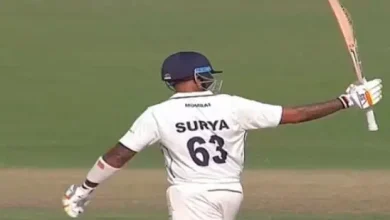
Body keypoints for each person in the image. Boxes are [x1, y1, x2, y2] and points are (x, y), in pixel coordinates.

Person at [62, 51, 383, 219]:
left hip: (190, 195)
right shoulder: (232, 106)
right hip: (230, 194)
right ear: (190, 77)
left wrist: (86, 189)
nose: (209, 79)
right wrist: (346, 101)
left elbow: (118, 155)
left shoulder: (158, 114)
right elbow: (294, 115)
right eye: (204, 75)